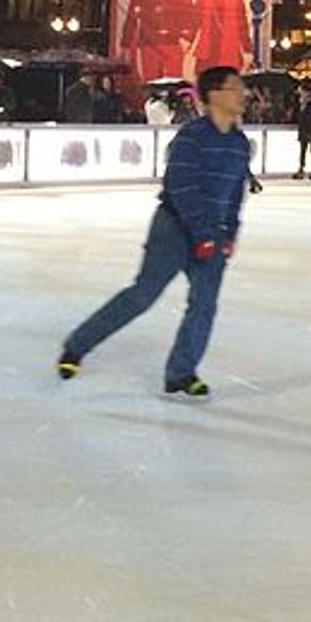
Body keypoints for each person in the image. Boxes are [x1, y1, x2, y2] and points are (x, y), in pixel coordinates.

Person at [56, 65, 252, 398]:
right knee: (143, 295)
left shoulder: (239, 143)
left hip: (213, 232)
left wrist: (229, 232)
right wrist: (201, 233)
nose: (243, 94)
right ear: (215, 95)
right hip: (174, 227)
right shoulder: (192, 137)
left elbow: (235, 192)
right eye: (236, 87)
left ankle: (181, 372)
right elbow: (180, 185)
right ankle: (77, 345)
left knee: (204, 304)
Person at [194, 0, 249, 72]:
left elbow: (242, 22)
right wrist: (187, 38)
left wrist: (247, 48)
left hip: (228, 45)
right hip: (208, 45)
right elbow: (195, 18)